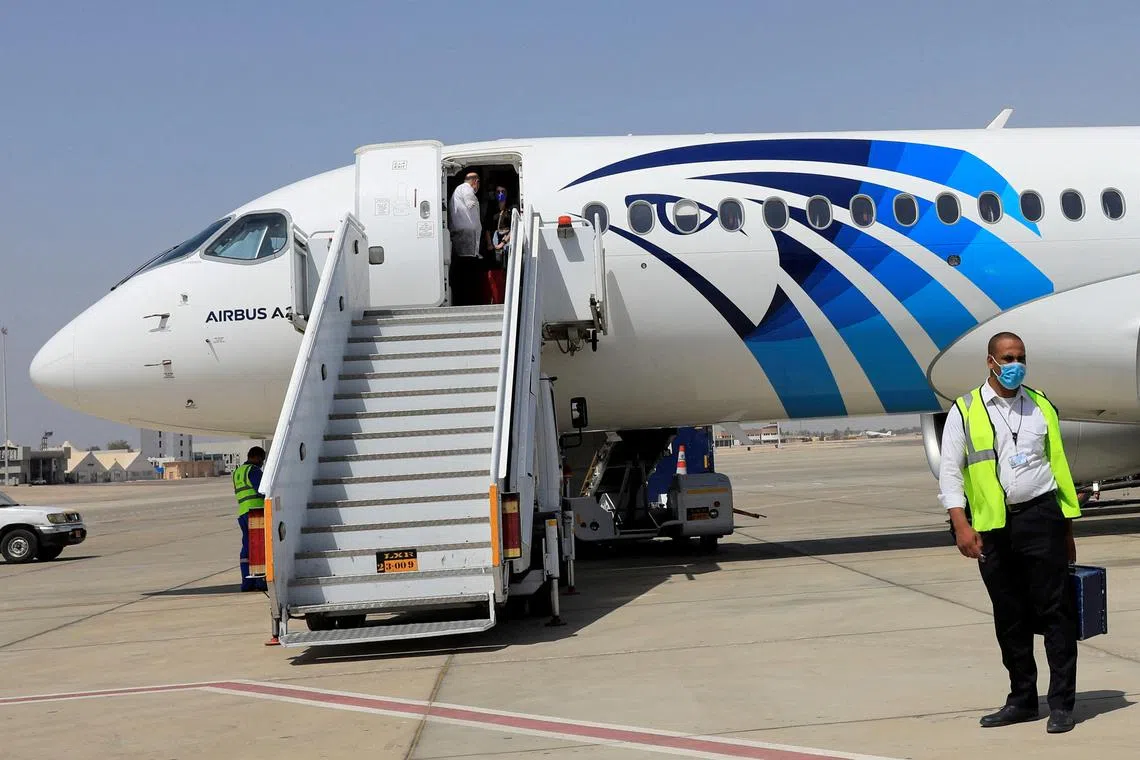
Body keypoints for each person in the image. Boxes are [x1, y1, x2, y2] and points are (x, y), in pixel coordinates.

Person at [939, 331, 1081, 734]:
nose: (1015, 363)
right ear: (990, 362)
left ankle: (1062, 705)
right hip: (993, 528)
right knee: (1010, 616)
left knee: (1056, 613)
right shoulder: (965, 410)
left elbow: (1058, 469)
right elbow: (950, 472)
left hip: (1042, 518)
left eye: (1020, 356)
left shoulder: (1040, 406)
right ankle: (1022, 700)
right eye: (1007, 357)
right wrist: (960, 524)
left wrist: (1066, 528)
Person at [233, 446, 268, 592]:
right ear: (257, 457)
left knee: (247, 547)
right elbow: (262, 490)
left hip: (242, 512)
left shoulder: (237, 472)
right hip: (255, 514)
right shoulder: (253, 470)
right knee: (258, 547)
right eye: (262, 460)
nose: (262, 463)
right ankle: (260, 581)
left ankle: (247, 582)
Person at [448, 171, 483, 305]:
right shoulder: (466, 188)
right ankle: (469, 302)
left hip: (463, 239)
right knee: (468, 274)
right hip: (466, 241)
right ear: (475, 182)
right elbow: (470, 203)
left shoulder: (458, 190)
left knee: (462, 273)